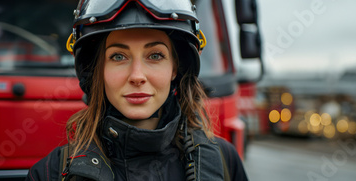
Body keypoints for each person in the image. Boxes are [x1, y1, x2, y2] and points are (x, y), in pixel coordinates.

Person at [26, 0, 248, 180]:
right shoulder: (49, 174)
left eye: (155, 55)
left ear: (175, 69)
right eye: (118, 57)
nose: (137, 76)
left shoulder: (224, 161)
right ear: (98, 72)